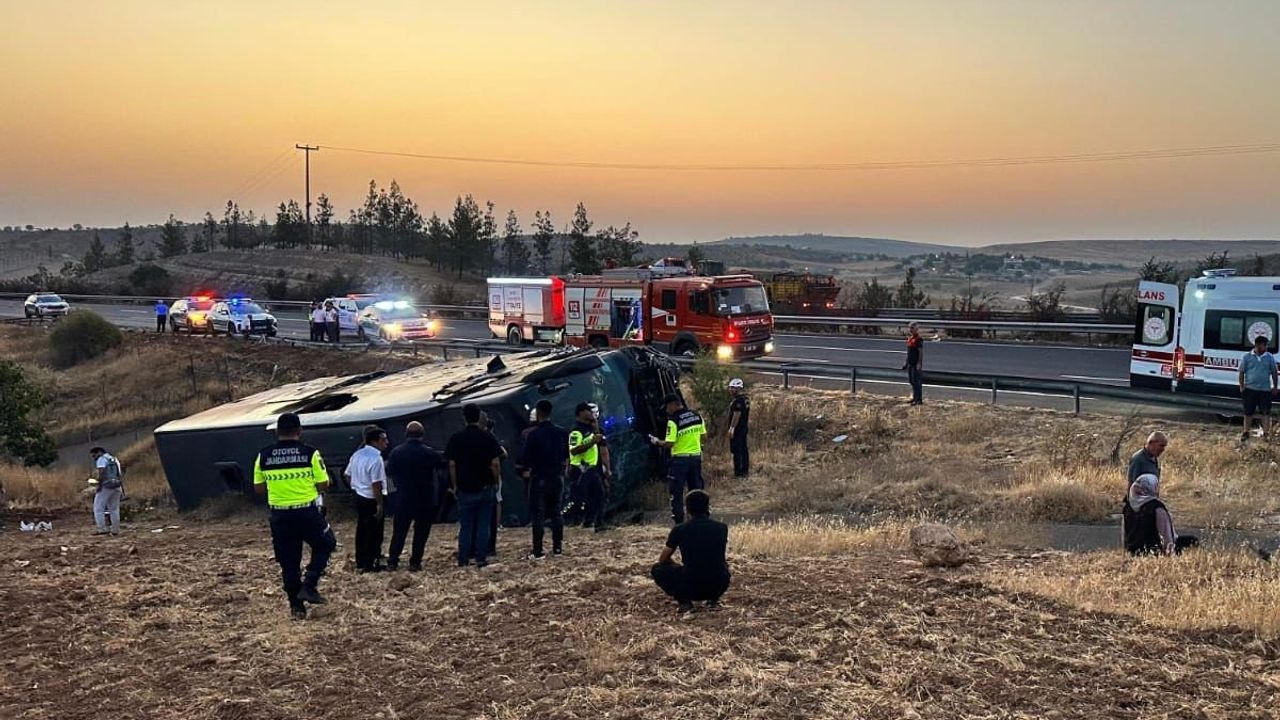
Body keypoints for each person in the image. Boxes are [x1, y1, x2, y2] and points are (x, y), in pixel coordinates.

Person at [253, 412, 336, 619]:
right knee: (326, 543)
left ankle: (296, 607)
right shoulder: (310, 453)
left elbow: (259, 488)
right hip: (307, 512)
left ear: (277, 432)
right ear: (299, 431)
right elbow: (323, 483)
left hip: (280, 516)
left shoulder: (263, 455)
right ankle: (310, 583)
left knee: (289, 562)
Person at [651, 490, 731, 613]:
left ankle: (684, 602)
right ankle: (713, 600)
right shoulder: (722, 528)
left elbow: (662, 559)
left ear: (687, 509)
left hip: (690, 586)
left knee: (657, 569)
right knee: (721, 565)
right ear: (707, 507)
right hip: (719, 584)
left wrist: (675, 565)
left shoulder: (679, 529)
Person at [446, 403, 503, 568]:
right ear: (479, 417)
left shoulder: (456, 438)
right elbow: (495, 463)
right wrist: (496, 481)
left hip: (465, 487)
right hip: (486, 486)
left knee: (466, 525)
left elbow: (451, 464)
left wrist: (455, 485)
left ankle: (463, 559)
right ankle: (481, 558)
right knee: (483, 524)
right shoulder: (488, 437)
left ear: (464, 418)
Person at [385, 421, 445, 571]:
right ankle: (415, 562)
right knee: (421, 532)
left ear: (406, 434)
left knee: (399, 531)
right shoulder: (429, 453)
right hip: (424, 498)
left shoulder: (396, 452)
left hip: (403, 497)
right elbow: (442, 465)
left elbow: (389, 474)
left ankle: (393, 560)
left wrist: (392, 494)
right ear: (422, 435)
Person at [520, 400, 569, 557]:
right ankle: (557, 547)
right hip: (557, 475)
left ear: (538, 413)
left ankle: (538, 550)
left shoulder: (533, 434)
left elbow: (526, 457)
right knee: (556, 511)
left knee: (538, 514)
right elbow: (567, 454)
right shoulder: (561, 432)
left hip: (539, 476)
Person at [651, 394, 706, 524]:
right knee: (697, 490)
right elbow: (704, 437)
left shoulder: (673, 421)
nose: (666, 410)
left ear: (673, 405)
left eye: (667, 407)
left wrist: (657, 441)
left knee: (677, 491)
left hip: (680, 461)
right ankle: (701, 517)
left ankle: (679, 520)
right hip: (696, 458)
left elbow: (669, 443)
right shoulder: (696, 415)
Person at [347, 425, 390, 572]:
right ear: (374, 441)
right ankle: (371, 562)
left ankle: (361, 561)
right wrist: (379, 504)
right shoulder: (376, 458)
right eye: (383, 440)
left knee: (362, 530)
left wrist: (356, 486)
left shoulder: (356, 455)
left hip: (359, 495)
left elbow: (347, 474)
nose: (386, 443)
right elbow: (376, 483)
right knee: (374, 532)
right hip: (372, 497)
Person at [1123, 473, 1198, 556]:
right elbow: (1166, 536)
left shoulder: (1128, 507)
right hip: (1154, 551)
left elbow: (1124, 534)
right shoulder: (1156, 508)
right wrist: (1169, 556)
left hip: (1132, 551)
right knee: (1193, 541)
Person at [569, 402, 611, 530]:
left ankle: (597, 522)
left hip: (593, 468)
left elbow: (603, 450)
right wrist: (591, 442)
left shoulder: (592, 429)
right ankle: (583, 521)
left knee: (599, 495)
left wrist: (607, 468)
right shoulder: (576, 431)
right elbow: (574, 450)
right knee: (583, 497)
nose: (590, 413)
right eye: (587, 411)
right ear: (581, 413)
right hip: (581, 469)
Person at [1238, 334, 1278, 442]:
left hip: (1265, 390)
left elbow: (1274, 372)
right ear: (1257, 345)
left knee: (1265, 412)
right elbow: (1241, 372)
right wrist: (1241, 385)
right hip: (1250, 389)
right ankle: (1246, 432)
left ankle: (1266, 434)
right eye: (1262, 345)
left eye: (1265, 346)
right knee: (1248, 412)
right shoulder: (1247, 357)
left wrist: (1275, 386)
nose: (1264, 348)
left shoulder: (1269, 357)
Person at [90, 447, 124, 536]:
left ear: (99, 452)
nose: (94, 458)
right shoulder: (114, 459)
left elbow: (101, 473)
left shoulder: (101, 459)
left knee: (98, 508)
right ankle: (115, 529)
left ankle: (101, 528)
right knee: (114, 509)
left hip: (106, 486)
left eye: (94, 455)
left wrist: (99, 485)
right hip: (117, 485)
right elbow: (119, 474)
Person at [726, 378, 750, 478]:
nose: (730, 390)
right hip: (744, 428)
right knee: (744, 449)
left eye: (733, 388)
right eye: (730, 387)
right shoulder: (746, 399)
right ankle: (745, 469)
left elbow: (737, 414)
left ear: (738, 388)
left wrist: (732, 428)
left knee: (737, 450)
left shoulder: (738, 401)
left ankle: (738, 472)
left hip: (738, 429)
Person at [904, 321, 924, 405]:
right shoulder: (910, 338)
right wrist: (906, 363)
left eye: (912, 328)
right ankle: (914, 397)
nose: (911, 329)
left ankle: (918, 400)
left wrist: (919, 363)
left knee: (917, 382)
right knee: (912, 381)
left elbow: (920, 352)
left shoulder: (919, 339)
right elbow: (908, 352)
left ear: (917, 329)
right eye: (910, 328)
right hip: (910, 363)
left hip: (916, 364)